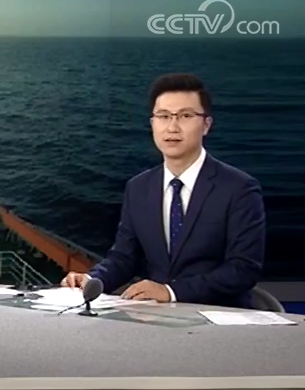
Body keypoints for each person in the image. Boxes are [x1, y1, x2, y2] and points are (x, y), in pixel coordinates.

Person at [62, 73, 265, 309]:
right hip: (153, 317)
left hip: (219, 317)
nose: (172, 127)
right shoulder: (138, 188)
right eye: (164, 116)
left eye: (185, 116)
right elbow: (124, 257)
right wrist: (93, 279)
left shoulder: (239, 188)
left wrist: (171, 292)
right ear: (152, 124)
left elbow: (243, 269)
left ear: (206, 125)